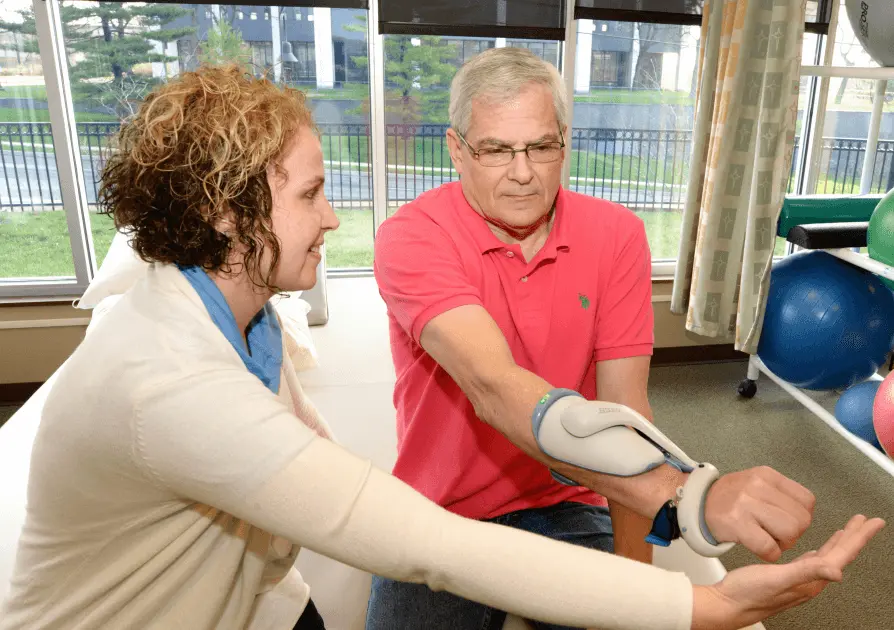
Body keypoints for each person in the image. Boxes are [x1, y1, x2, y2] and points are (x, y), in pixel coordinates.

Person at [0, 64, 883, 630]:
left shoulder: (242, 315)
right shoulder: (171, 383)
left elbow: (621, 408)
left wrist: (656, 548)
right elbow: (446, 516)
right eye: (312, 195)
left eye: (543, 147)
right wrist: (704, 585)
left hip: (268, 593)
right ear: (231, 217)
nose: (336, 216)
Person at [367, 46, 863, 629]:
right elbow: (493, 387)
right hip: (439, 510)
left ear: (563, 143)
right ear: (457, 150)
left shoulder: (616, 235)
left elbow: (627, 414)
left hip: (565, 501)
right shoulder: (412, 237)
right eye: (496, 149)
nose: (522, 171)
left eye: (541, 147)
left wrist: (643, 596)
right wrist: (690, 496)